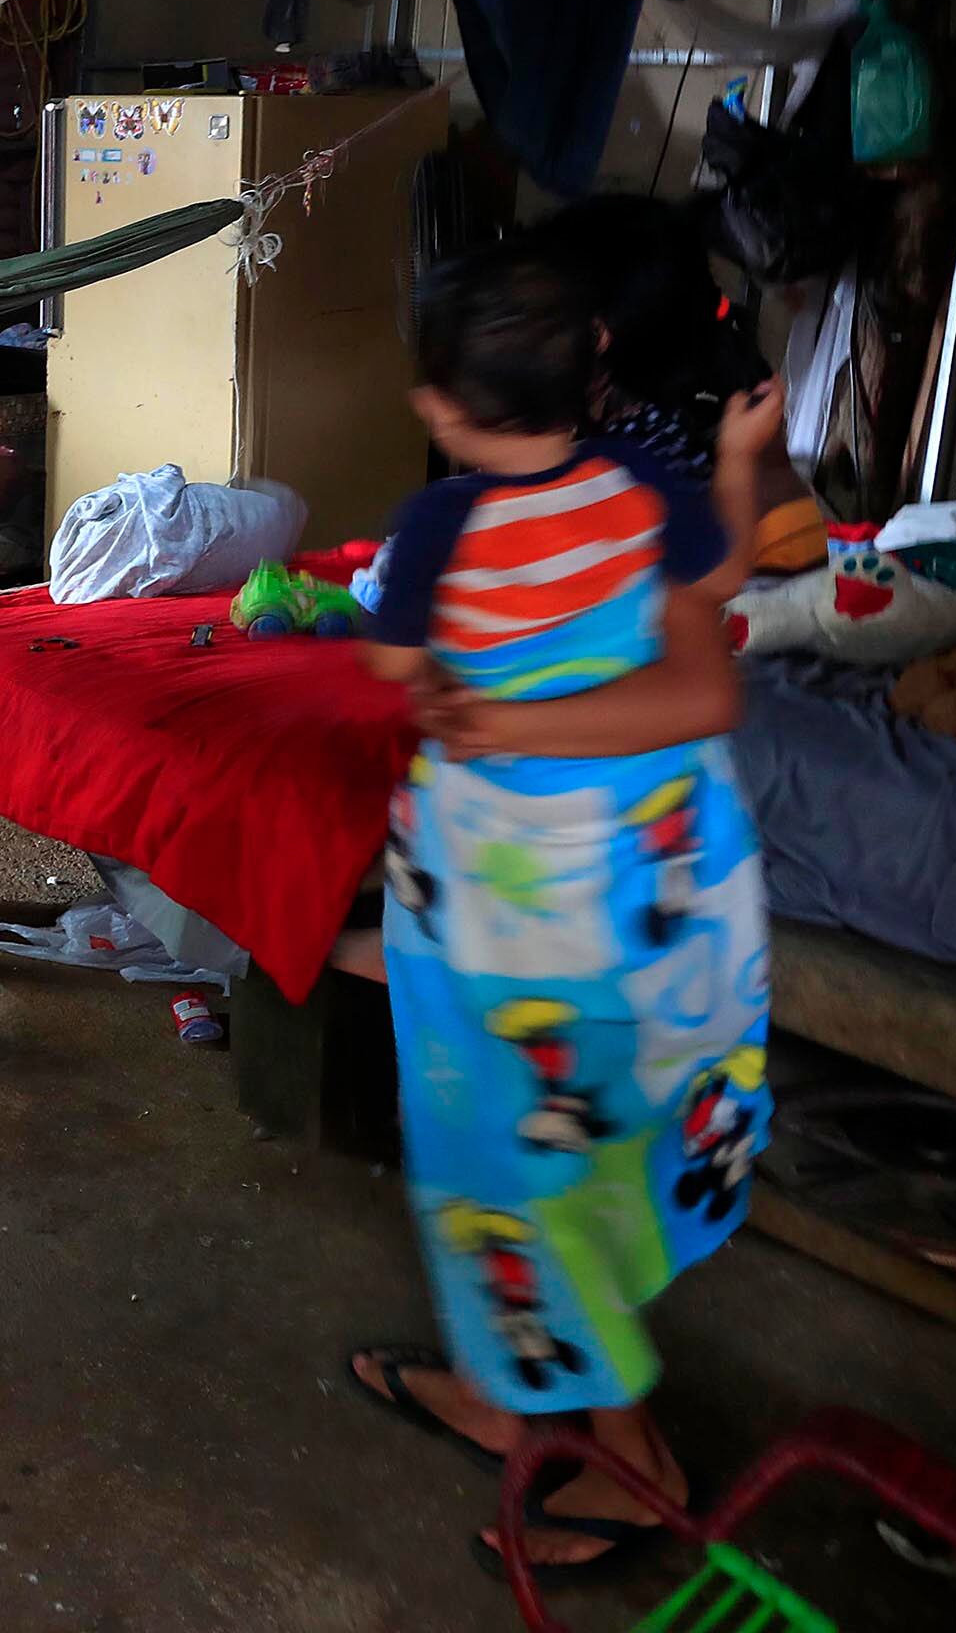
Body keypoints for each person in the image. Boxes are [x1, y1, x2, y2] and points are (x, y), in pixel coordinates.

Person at [345, 225, 785, 1575]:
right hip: (638, 903)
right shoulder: (649, 486)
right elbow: (723, 574)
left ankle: (632, 1464)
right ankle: (510, 1385)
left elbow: (394, 668)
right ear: (594, 363)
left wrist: (476, 703)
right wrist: (735, 461)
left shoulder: (438, 529)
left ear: (438, 407)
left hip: (518, 920)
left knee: (527, 1164)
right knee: (548, 1149)